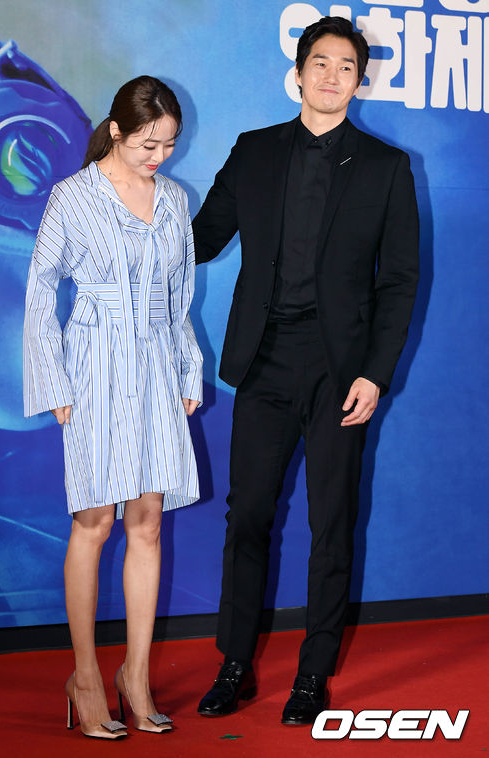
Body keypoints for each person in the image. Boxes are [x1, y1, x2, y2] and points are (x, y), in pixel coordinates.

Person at [194, 17, 419, 725]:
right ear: (298, 73)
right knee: (248, 516)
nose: (330, 76)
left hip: (340, 371)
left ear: (360, 79)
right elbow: (199, 240)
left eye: (345, 66)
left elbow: (400, 281)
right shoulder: (255, 153)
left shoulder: (386, 168)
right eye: (319, 62)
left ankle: (313, 675)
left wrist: (375, 373)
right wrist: (128, 189)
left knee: (333, 522)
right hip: (263, 361)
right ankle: (234, 664)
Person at [23, 76, 202, 739]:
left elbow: (179, 292)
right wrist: (55, 383)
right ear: (117, 131)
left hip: (156, 365)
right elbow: (41, 290)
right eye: (149, 144)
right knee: (95, 518)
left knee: (147, 519)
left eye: (170, 146)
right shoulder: (72, 197)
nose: (160, 157)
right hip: (93, 367)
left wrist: (187, 365)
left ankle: (136, 673)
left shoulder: (175, 200)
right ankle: (86, 677)